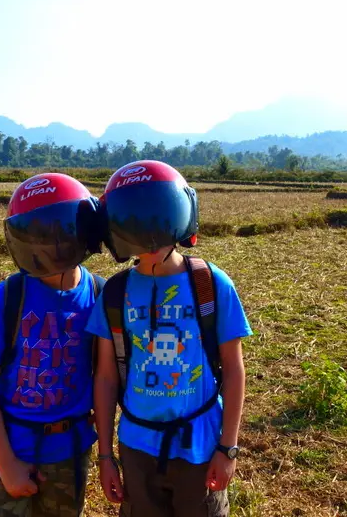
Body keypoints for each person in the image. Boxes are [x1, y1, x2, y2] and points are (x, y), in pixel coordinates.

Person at [87, 160, 253, 517]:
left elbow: (234, 370)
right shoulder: (115, 292)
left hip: (201, 446)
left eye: (153, 219)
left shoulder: (211, 284)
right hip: (137, 447)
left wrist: (228, 449)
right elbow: (104, 376)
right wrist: (105, 456)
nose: (146, 234)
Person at [0, 173, 104, 517]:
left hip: (68, 451)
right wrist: (7, 465)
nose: (49, 246)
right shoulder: (7, 298)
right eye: (37, 235)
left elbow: (105, 376)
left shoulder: (99, 295)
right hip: (6, 452)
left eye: (57, 233)